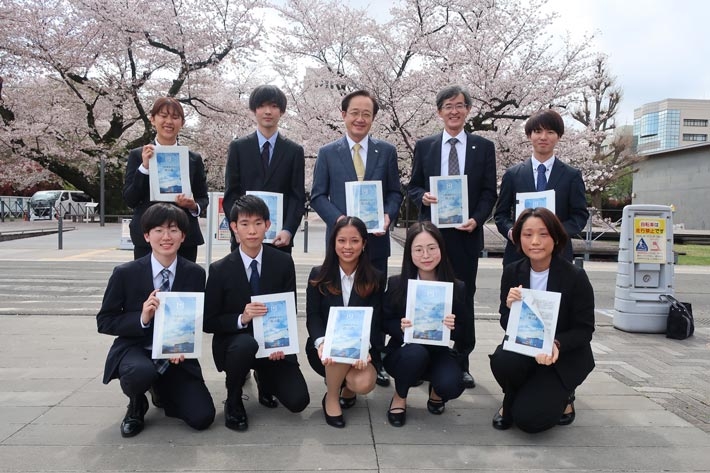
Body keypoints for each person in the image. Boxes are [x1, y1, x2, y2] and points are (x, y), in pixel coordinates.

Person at [96, 203, 215, 438]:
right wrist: (141, 317)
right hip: (136, 348)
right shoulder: (125, 273)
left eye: (173, 230)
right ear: (147, 236)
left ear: (183, 236)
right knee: (140, 373)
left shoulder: (195, 274)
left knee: (202, 417)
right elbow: (105, 320)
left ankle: (161, 387)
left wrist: (184, 344)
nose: (166, 237)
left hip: (176, 355)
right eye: (158, 230)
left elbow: (195, 318)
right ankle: (136, 403)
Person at [310, 89, 402, 387]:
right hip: (342, 245)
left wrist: (388, 215)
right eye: (354, 113)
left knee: (374, 301)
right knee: (339, 299)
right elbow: (318, 195)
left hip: (375, 242)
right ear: (343, 115)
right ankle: (335, 350)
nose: (360, 119)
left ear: (373, 118)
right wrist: (340, 223)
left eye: (367, 114)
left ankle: (373, 357)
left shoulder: (386, 151)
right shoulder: (327, 152)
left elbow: (394, 192)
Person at [408, 85, 497, 389]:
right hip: (431, 236)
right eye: (448, 106)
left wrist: (477, 219)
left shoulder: (483, 147)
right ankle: (423, 356)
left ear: (468, 110)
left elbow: (489, 192)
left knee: (462, 297)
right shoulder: (426, 146)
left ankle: (461, 360)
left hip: (465, 236)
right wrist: (424, 197)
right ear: (439, 111)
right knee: (427, 294)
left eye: (460, 105)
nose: (454, 111)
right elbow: (413, 186)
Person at [204, 195, 309, 432]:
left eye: (258, 223)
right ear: (234, 228)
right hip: (236, 344)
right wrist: (241, 318)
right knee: (244, 345)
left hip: (274, 346)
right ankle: (233, 398)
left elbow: (288, 308)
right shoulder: (220, 270)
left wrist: (283, 343)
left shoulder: (283, 262)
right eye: (244, 224)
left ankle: (265, 378)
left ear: (268, 225)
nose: (252, 230)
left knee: (298, 401)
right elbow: (208, 321)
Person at [490, 207, 595, 433]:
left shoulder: (575, 276)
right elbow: (506, 323)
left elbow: (585, 330)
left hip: (562, 356)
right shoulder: (512, 272)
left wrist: (557, 344)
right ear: (519, 238)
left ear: (556, 238)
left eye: (543, 234)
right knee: (502, 360)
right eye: (527, 235)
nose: (535, 241)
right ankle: (512, 397)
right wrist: (510, 308)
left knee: (530, 421)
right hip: (527, 350)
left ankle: (566, 395)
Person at [381, 222, 468, 427]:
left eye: (431, 248)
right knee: (415, 354)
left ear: (441, 249)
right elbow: (382, 321)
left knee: (452, 384)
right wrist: (400, 327)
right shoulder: (397, 284)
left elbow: (466, 331)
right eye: (418, 249)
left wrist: (453, 327)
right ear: (409, 253)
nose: (426, 255)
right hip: (405, 352)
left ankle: (437, 392)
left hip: (439, 351)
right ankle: (400, 396)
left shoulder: (456, 287)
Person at [305, 217, 385, 428]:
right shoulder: (318, 275)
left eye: (354, 241)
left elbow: (376, 320)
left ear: (364, 244)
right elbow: (313, 316)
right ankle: (332, 397)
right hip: (325, 349)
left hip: (363, 348)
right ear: (333, 243)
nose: (347, 247)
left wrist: (363, 349)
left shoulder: (376, 277)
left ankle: (348, 388)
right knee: (336, 347)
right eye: (341, 240)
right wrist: (321, 343)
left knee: (364, 382)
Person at [494, 109, 589, 266]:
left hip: (558, 253)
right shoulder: (513, 174)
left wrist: (555, 233)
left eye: (550, 132)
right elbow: (501, 215)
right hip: (518, 255)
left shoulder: (571, 175)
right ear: (529, 135)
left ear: (559, 136)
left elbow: (579, 216)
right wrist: (513, 232)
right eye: (537, 131)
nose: (543, 137)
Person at [123, 97, 209, 262]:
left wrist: (193, 205)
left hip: (185, 237)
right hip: (147, 237)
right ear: (152, 119)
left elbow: (202, 197)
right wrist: (144, 168)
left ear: (182, 123)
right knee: (147, 285)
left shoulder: (193, 159)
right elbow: (130, 199)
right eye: (163, 116)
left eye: (175, 117)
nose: (169, 121)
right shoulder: (138, 155)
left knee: (185, 284)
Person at [223, 85, 306, 253]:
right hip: (244, 238)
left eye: (274, 106)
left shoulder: (294, 151)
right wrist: (237, 229)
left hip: (279, 239)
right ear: (254, 110)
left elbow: (297, 196)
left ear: (281, 111)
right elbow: (231, 193)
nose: (268, 111)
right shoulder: (239, 147)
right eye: (262, 106)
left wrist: (288, 230)